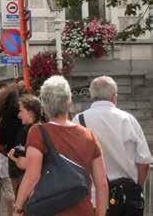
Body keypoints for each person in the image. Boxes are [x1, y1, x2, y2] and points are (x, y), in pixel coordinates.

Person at [13, 76, 108, 216]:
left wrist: (18, 208)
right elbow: (102, 184)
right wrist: (100, 213)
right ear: (69, 103)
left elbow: (32, 176)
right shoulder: (89, 135)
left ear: (44, 105)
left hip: (49, 210)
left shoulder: (38, 132)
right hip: (83, 211)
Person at [73, 76, 152, 216]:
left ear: (92, 96)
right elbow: (144, 162)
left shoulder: (78, 121)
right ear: (114, 97)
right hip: (126, 198)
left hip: (93, 199)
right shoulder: (128, 120)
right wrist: (136, 187)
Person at [0, 83, 25, 192]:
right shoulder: (24, 118)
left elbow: (1, 147)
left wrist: (9, 154)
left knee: (17, 193)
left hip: (13, 159)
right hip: (28, 156)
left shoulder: (3, 123)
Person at [7, 95, 47, 170]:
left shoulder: (29, 131)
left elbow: (23, 164)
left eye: (21, 111)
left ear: (30, 113)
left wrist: (12, 157)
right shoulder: (44, 127)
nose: (19, 115)